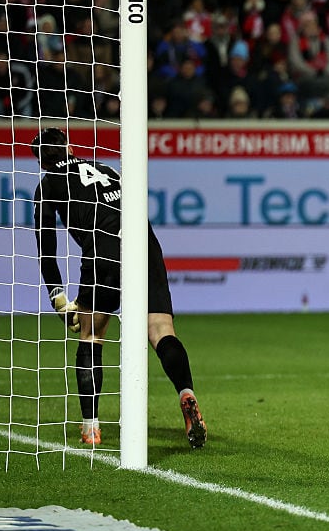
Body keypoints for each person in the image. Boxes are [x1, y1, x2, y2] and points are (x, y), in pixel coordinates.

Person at [32, 128, 207, 449]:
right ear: (69, 147)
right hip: (144, 243)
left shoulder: (47, 184)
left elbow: (47, 247)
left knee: (92, 336)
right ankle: (186, 392)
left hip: (104, 250)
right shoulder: (106, 169)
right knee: (161, 329)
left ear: (40, 161)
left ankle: (91, 427)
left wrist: (58, 297)